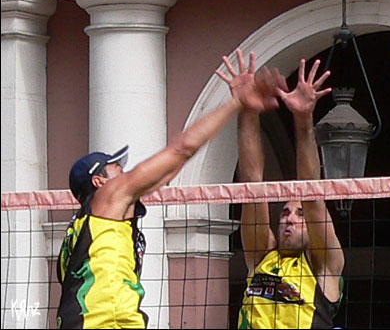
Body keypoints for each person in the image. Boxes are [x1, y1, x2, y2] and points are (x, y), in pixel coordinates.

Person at [56, 49, 274, 329]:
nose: (124, 172)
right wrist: (235, 102)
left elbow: (171, 169)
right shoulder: (109, 197)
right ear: (98, 182)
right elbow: (181, 149)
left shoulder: (90, 225)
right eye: (116, 168)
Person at [219, 58, 345, 329]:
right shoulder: (261, 255)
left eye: (299, 215)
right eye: (286, 212)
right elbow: (252, 183)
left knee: (310, 195)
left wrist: (303, 118)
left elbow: (311, 192)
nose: (289, 218)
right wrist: (248, 110)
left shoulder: (323, 264)